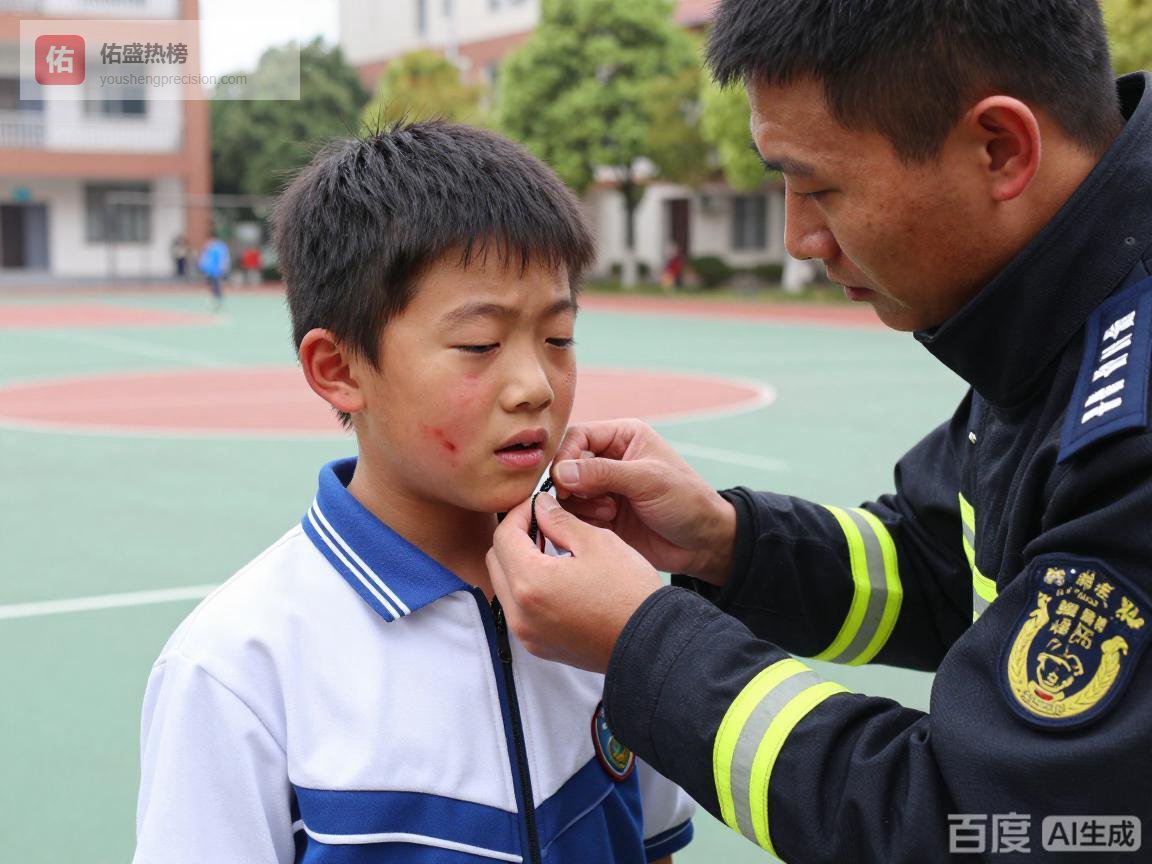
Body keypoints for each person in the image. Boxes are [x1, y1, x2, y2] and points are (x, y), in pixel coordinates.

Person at [488, 1, 1152, 861]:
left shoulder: (1128, 409)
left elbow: (974, 826)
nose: (801, 236)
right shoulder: (1066, 306)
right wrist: (725, 541)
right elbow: (950, 565)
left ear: (1000, 149)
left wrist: (641, 642)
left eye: (821, 186)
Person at [132, 121, 694, 864]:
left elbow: (651, 842)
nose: (535, 386)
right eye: (479, 346)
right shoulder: (237, 668)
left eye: (558, 339)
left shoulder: (605, 599)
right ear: (338, 369)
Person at [197, 230, 230, 312]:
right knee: (210, 285)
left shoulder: (219, 246)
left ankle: (218, 301)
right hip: (209, 270)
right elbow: (204, 258)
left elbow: (223, 258)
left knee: (216, 285)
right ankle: (214, 300)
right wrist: (201, 265)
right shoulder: (208, 246)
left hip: (216, 271)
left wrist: (223, 267)